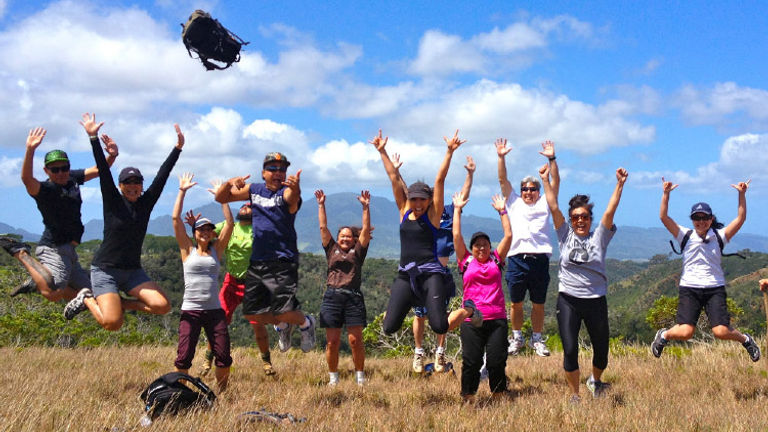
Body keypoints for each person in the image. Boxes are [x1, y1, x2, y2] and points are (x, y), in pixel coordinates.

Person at [63, 113, 183, 329]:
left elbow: (162, 176)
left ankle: (119, 303)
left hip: (133, 272)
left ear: (141, 185)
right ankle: (88, 299)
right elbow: (103, 169)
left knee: (162, 306)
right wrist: (93, 137)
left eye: (137, 181)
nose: (132, 185)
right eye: (127, 182)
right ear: (120, 186)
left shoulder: (146, 203)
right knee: (112, 323)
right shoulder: (113, 201)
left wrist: (177, 148)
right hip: (105, 270)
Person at [539, 161, 628, 402]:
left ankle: (595, 381)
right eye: (576, 217)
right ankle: (575, 394)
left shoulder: (600, 236)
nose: (580, 220)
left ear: (590, 219)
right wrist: (545, 180)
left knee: (602, 351)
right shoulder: (563, 234)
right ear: (570, 219)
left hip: (596, 300)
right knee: (570, 350)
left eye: (585, 217)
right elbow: (553, 205)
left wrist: (619, 185)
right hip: (568, 300)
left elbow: (609, 212)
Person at [0, 124, 118, 303]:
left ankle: (37, 281)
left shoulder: (72, 179)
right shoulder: (45, 190)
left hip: (70, 252)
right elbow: (26, 179)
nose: (61, 172)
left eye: (64, 168)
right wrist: (30, 150)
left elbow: (99, 170)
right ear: (46, 171)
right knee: (53, 293)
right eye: (55, 170)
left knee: (95, 296)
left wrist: (112, 155)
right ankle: (20, 252)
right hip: (53, 249)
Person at [215, 152, 316, 352]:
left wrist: (296, 188)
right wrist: (229, 183)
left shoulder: (286, 192)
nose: (278, 172)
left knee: (284, 310)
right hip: (258, 260)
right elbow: (221, 198)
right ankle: (285, 327)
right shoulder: (255, 190)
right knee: (253, 314)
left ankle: (306, 323)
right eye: (273, 168)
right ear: (263, 173)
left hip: (282, 260)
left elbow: (292, 199)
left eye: (282, 169)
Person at [651, 178, 760, 362]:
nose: (700, 221)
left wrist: (741, 195)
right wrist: (666, 194)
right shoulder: (684, 235)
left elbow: (741, 219)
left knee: (721, 331)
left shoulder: (719, 236)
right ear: (692, 219)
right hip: (690, 288)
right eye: (696, 218)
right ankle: (664, 335)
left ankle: (746, 340)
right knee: (685, 332)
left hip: (714, 288)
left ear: (711, 219)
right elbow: (664, 217)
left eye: (704, 218)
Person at [370, 129, 463, 342]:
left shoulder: (433, 215)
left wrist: (449, 151)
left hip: (431, 276)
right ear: (409, 200)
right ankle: (415, 300)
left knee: (440, 326)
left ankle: (468, 311)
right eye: (414, 200)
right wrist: (382, 151)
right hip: (406, 276)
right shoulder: (404, 211)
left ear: (429, 200)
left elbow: (439, 180)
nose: (418, 204)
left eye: (422, 199)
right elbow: (394, 178)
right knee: (389, 327)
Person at [390, 152, 476, 373]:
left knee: (440, 316)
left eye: (425, 198)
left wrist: (470, 175)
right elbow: (408, 194)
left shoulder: (444, 212)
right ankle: (419, 352)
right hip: (418, 272)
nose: (419, 202)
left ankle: (440, 351)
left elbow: (460, 194)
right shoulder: (417, 212)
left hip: (439, 272)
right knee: (419, 314)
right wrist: (397, 171)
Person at [197, 203, 276, 377]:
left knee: (258, 325)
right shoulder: (228, 226)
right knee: (218, 322)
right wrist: (194, 227)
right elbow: (206, 235)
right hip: (231, 282)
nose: (245, 206)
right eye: (243, 205)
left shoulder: (261, 229)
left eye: (250, 205)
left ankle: (266, 361)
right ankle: (207, 360)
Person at [496, 138, 558, 357]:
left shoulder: (544, 203)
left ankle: (537, 339)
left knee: (538, 303)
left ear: (538, 191)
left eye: (532, 189)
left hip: (540, 259)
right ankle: (517, 337)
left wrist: (551, 159)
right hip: (517, 259)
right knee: (516, 303)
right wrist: (501, 157)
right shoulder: (513, 202)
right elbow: (502, 179)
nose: (528, 192)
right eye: (524, 189)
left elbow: (556, 182)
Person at [172, 173, 233, 390]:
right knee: (184, 355)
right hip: (191, 310)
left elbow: (230, 224)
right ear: (195, 233)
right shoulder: (187, 250)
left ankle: (223, 392)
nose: (206, 232)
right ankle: (180, 391)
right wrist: (182, 191)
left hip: (214, 311)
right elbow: (175, 220)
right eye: (201, 229)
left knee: (224, 355)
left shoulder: (217, 250)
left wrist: (222, 198)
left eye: (209, 229)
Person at [451, 191, 512, 403]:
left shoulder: (496, 260)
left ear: (490, 247)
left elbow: (509, 236)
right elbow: (456, 236)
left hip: (496, 319)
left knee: (497, 361)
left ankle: (498, 396)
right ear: (472, 248)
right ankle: (468, 398)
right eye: (477, 244)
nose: (481, 247)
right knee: (471, 361)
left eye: (485, 244)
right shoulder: (465, 261)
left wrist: (502, 211)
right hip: (471, 319)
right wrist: (457, 209)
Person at [315, 189, 372, 386]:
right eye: (342, 236)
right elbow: (323, 227)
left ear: (353, 240)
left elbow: (365, 230)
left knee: (355, 341)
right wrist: (321, 204)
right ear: (338, 239)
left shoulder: (358, 252)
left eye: (348, 236)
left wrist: (366, 207)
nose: (345, 239)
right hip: (332, 297)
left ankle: (360, 377)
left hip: (353, 298)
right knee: (332, 342)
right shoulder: (331, 249)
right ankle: (333, 378)